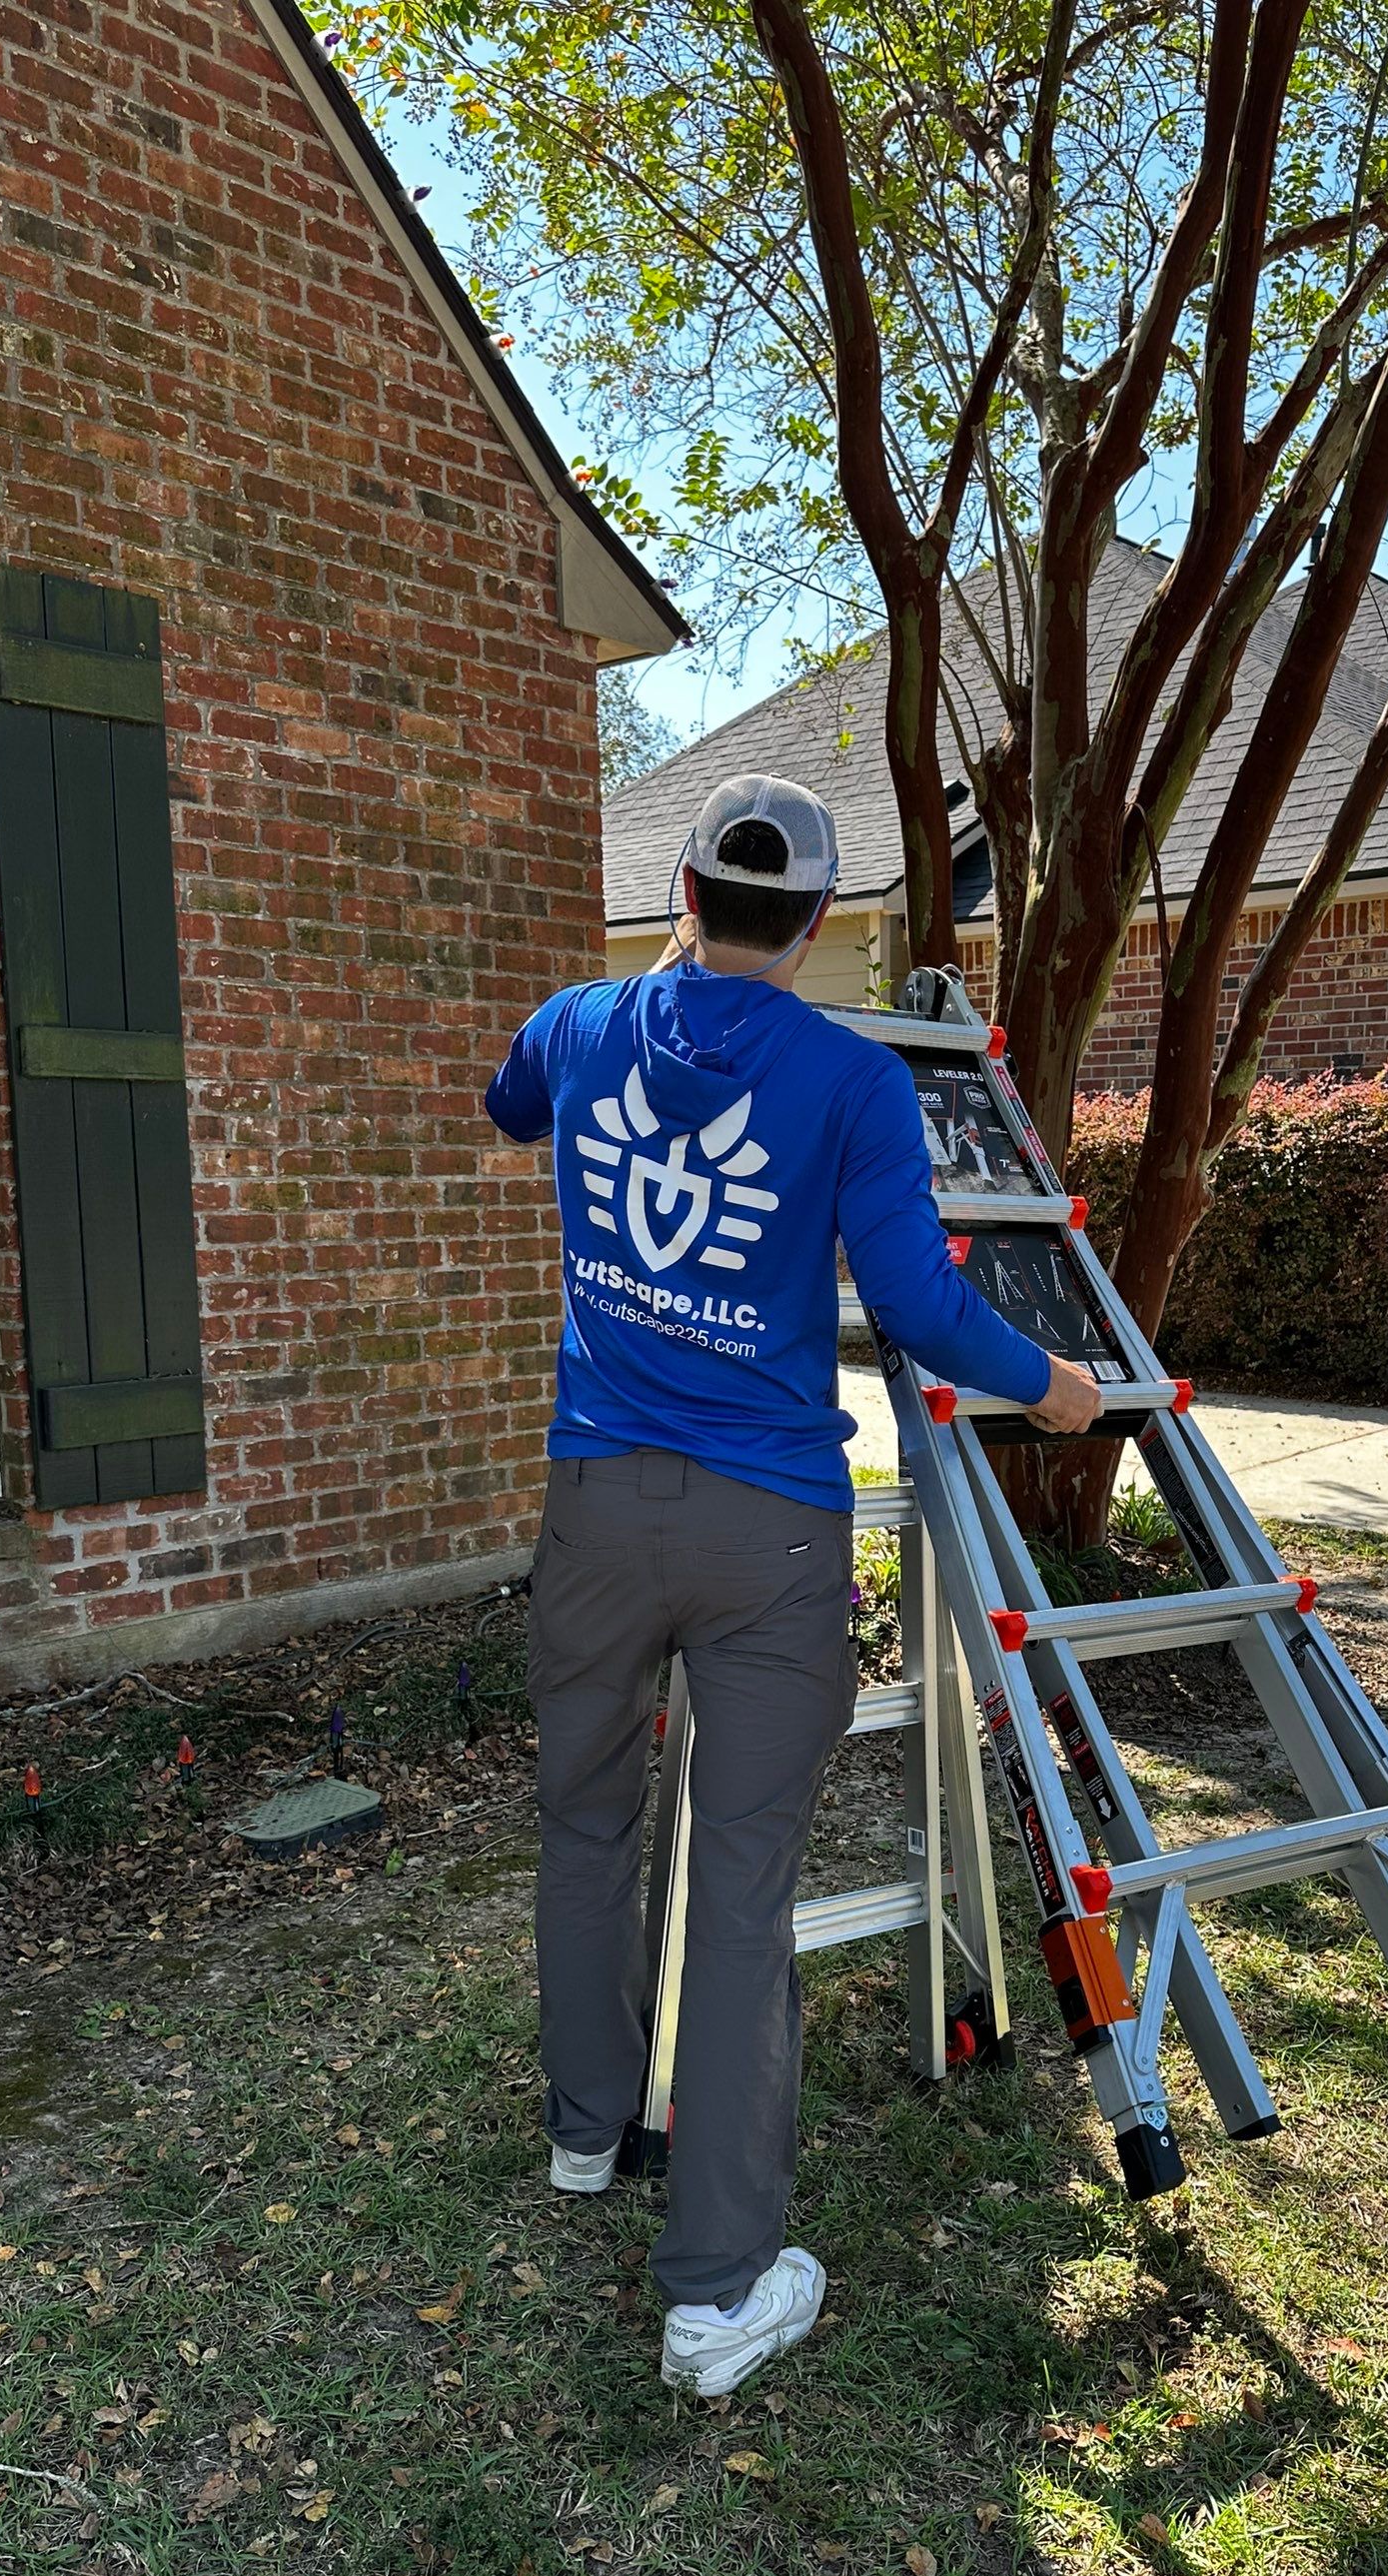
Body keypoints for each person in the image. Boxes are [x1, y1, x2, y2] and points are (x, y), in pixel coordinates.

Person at [486, 770, 1101, 2398]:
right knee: (740, 1888)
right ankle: (714, 2294)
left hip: (596, 1503)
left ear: (681, 886)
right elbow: (915, 1302)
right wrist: (1052, 1382)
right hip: (766, 1532)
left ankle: (583, 2129)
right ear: (817, 923)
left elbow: (508, 1103)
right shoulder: (852, 1081)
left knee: (586, 1821)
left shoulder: (578, 1024)